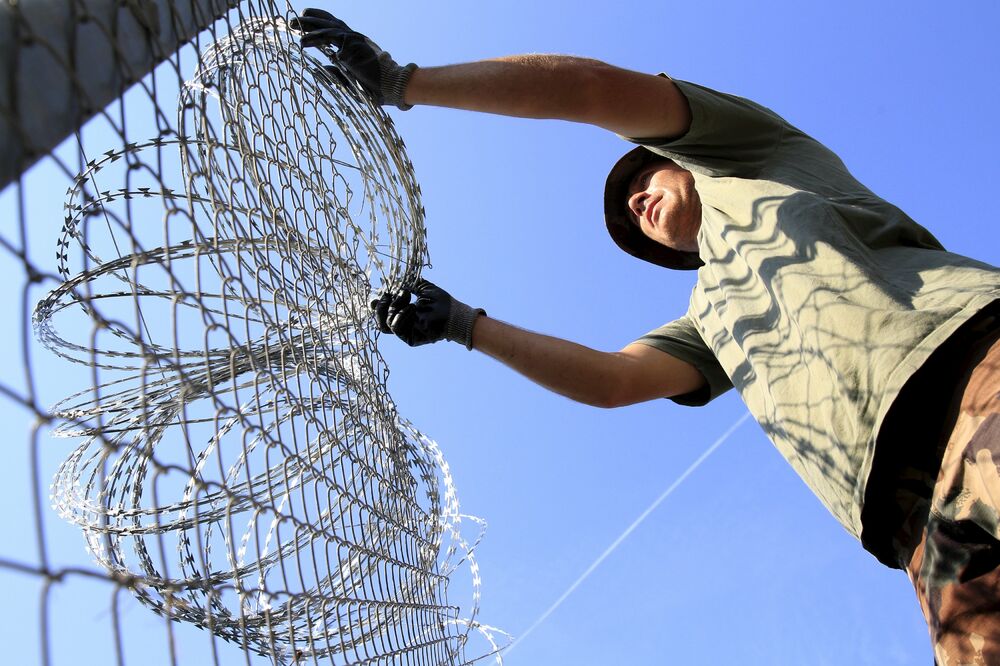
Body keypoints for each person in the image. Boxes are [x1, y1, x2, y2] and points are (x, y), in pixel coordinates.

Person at [292, 9, 1000, 663]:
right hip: (910, 522)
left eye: (643, 177)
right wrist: (464, 325)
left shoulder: (755, 157)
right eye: (632, 223)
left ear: (683, 156)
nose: (635, 204)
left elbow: (591, 89)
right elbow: (614, 381)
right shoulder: (711, 315)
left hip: (969, 362)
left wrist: (404, 82)